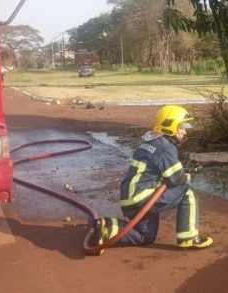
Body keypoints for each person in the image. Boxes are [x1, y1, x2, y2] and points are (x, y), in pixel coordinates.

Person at [89, 105, 213, 255]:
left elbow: (157, 169)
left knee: (145, 236)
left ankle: (107, 226)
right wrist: (186, 176)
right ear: (171, 126)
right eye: (181, 127)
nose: (184, 132)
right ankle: (189, 238)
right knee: (187, 192)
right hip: (143, 197)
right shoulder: (166, 147)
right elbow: (177, 180)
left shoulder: (150, 142)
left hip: (131, 198)